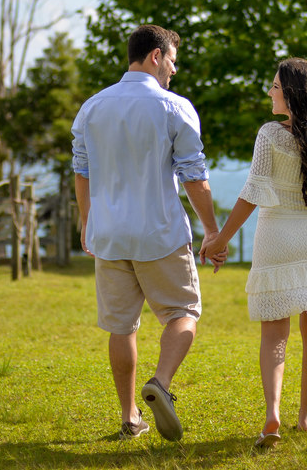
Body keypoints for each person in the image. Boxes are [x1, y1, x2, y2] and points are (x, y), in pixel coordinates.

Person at [71, 24, 226, 441]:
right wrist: (212, 230)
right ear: (156, 56)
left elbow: (81, 172)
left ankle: (129, 417)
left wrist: (88, 221)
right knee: (183, 313)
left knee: (121, 327)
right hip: (159, 233)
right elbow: (195, 178)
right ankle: (160, 382)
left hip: (109, 236)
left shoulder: (91, 107)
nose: (174, 71)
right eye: (173, 61)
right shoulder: (174, 108)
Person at [207, 57, 307, 448]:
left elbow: (252, 192)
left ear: (291, 93)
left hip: (275, 237)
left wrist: (221, 238)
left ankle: (272, 416)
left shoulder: (269, 135)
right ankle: (305, 417)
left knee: (274, 331)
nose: (270, 92)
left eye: (274, 86)